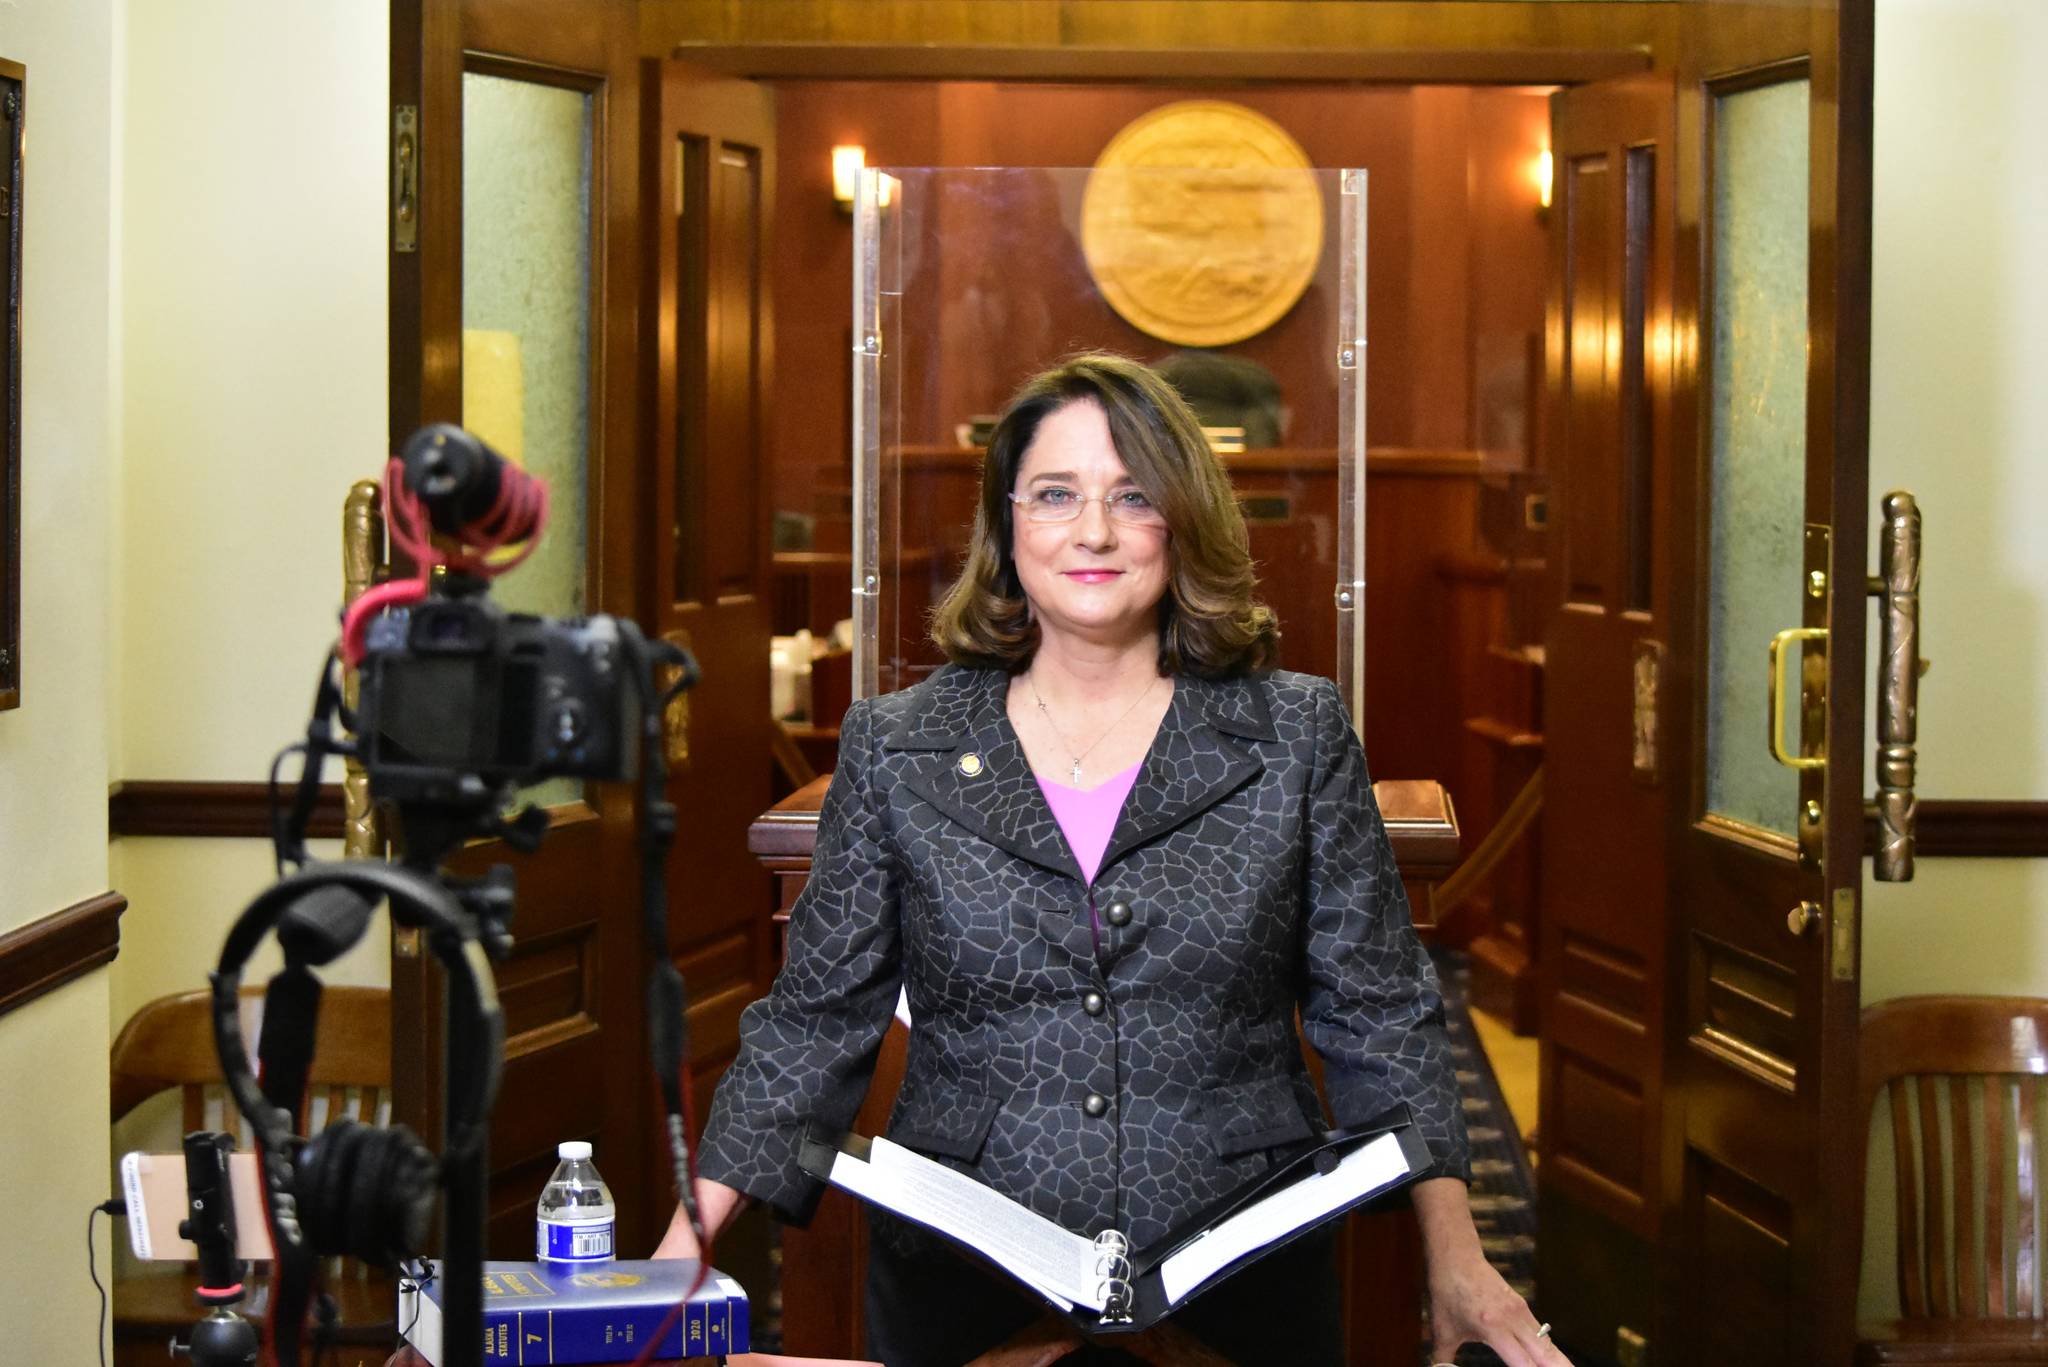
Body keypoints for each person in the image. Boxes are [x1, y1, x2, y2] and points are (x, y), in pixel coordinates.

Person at [657, 353, 1570, 1367]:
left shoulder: (1294, 730)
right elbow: (813, 1022)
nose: (1091, 529)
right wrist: (679, 1254)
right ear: (1007, 524)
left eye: (1131, 496)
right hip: (962, 1280)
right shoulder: (896, 743)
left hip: (1240, 1269)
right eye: (1054, 494)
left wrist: (1454, 1255)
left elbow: (1377, 1013)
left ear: (1181, 522)